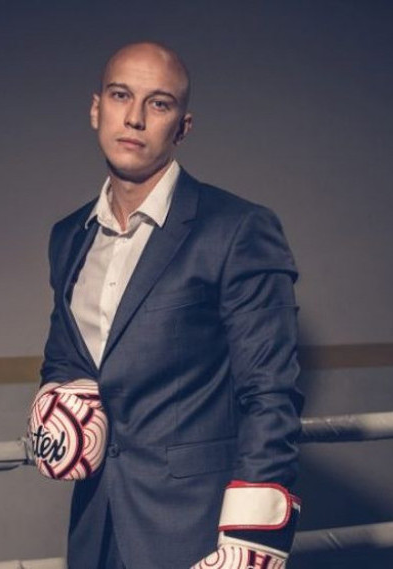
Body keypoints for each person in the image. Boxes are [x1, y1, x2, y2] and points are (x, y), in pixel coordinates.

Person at [28, 41, 303, 569]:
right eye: (120, 96)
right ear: (96, 109)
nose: (134, 118)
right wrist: (59, 403)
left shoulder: (237, 228)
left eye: (158, 103)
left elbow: (271, 394)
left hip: (195, 530)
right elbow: (66, 358)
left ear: (182, 126)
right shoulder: (68, 236)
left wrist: (251, 538)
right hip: (96, 523)